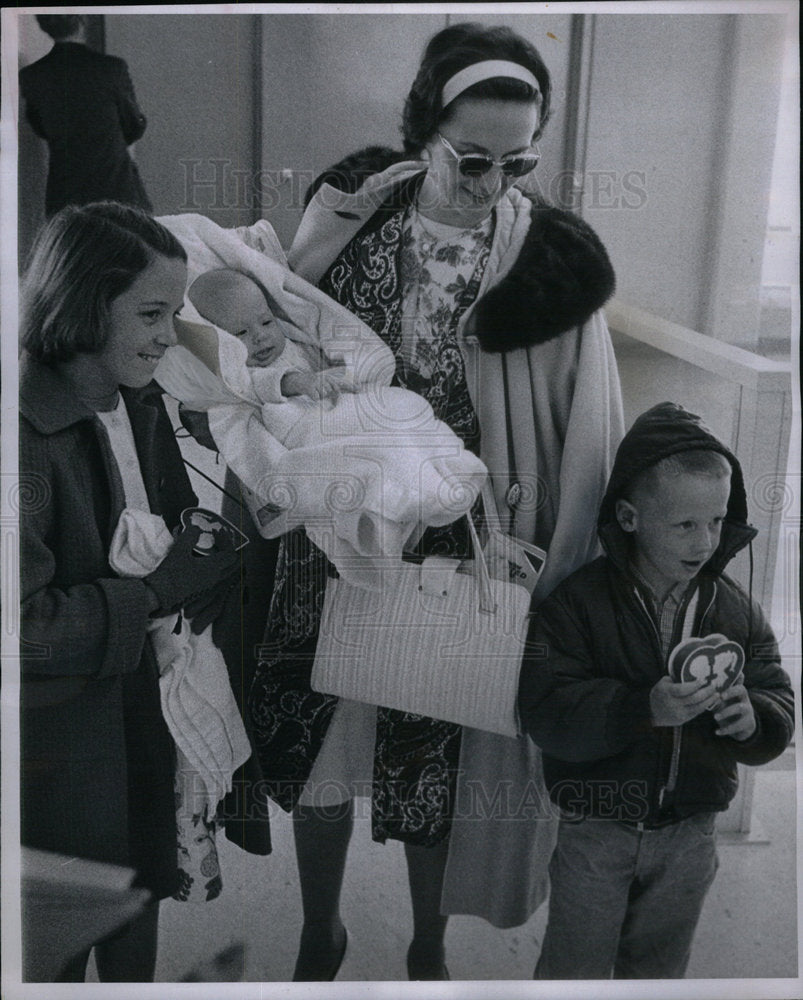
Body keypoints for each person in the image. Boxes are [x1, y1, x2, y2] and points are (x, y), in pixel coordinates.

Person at [250, 22, 623, 981]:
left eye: (517, 161)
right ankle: (318, 929)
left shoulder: (547, 259)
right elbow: (275, 336)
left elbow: (579, 417)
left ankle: (426, 943)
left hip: (460, 532)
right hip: (337, 524)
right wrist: (317, 242)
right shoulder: (355, 211)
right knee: (326, 736)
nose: (491, 181)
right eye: (470, 157)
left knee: (434, 747)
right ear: (424, 128)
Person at [19, 202, 241, 981]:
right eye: (151, 313)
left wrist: (209, 555)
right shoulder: (20, 436)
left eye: (173, 314)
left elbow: (172, 529)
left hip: (142, 710)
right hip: (58, 749)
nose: (166, 336)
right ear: (81, 303)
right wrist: (152, 595)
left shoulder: (139, 401)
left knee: (139, 899)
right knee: (61, 933)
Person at [518, 401, 795, 979]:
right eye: (685, 524)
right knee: (576, 968)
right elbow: (545, 710)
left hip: (691, 834)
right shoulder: (578, 604)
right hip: (598, 831)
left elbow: (775, 689)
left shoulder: (733, 608)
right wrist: (641, 707)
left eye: (717, 521)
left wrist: (758, 719)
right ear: (629, 517)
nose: (706, 540)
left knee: (659, 969)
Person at [162, 266, 488, 579]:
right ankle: (385, 511)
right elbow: (258, 385)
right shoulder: (241, 376)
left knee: (403, 408)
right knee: (358, 462)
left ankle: (433, 476)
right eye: (241, 333)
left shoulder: (293, 342)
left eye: (265, 321)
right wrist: (299, 382)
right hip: (304, 429)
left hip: (340, 413)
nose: (260, 338)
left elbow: (336, 361)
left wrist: (343, 373)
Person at [19, 14, 152, 216]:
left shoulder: (32, 75)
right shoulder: (111, 68)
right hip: (115, 185)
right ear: (82, 23)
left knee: (74, 244)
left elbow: (40, 127)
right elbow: (134, 125)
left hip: (65, 192)